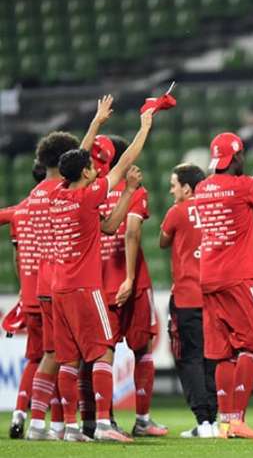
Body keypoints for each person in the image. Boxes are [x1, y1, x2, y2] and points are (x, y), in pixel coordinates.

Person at [49, 107, 153, 442]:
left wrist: (96, 123)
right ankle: (106, 424)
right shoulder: (87, 196)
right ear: (85, 173)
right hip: (84, 288)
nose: (97, 167)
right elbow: (126, 160)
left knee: (69, 358)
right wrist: (145, 126)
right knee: (102, 349)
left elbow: (109, 228)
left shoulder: (58, 195)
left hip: (58, 290)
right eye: (92, 166)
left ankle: (70, 427)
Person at [24, 96, 115, 441]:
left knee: (58, 356)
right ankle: (85, 424)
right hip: (75, 282)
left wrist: (96, 122)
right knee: (84, 353)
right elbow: (86, 159)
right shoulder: (76, 194)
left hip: (47, 286)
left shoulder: (42, 193)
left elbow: (78, 158)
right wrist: (98, 123)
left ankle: (48, 424)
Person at [90, 135, 166, 437]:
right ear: (125, 161)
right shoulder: (134, 191)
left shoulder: (91, 192)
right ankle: (142, 419)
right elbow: (131, 233)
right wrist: (130, 278)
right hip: (131, 283)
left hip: (97, 281)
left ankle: (101, 420)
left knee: (100, 352)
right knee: (142, 349)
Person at [194, 132, 253, 439]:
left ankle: (225, 423)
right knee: (250, 344)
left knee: (222, 352)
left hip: (208, 277)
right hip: (238, 277)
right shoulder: (244, 187)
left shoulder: (201, 187)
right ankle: (238, 419)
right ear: (236, 158)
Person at [160, 163, 218, 439]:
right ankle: (214, 420)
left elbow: (162, 240)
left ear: (186, 187)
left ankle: (203, 420)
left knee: (189, 359)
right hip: (213, 297)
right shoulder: (215, 209)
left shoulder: (177, 212)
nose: (172, 190)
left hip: (186, 298)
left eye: (174, 185)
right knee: (212, 358)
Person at [4, 163, 44, 439]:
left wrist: (23, 289)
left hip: (29, 295)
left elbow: (18, 260)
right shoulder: (58, 204)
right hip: (56, 293)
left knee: (34, 357)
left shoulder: (20, 211)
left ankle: (20, 412)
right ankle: (50, 423)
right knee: (63, 357)